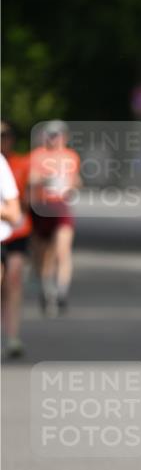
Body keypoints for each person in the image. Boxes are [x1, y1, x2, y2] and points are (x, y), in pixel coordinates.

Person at [28, 120, 80, 316]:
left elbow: (76, 180)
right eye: (51, 135)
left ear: (64, 137)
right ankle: (46, 289)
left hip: (61, 206)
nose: (54, 138)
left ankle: (62, 293)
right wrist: (47, 179)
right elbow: (31, 178)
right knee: (44, 254)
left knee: (62, 250)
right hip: (42, 206)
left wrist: (72, 185)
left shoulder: (71, 156)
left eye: (58, 135)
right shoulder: (37, 156)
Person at [1, 121, 31, 357]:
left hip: (16, 232)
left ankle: (12, 337)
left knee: (13, 280)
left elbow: (22, 205)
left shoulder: (21, 163)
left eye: (5, 135)